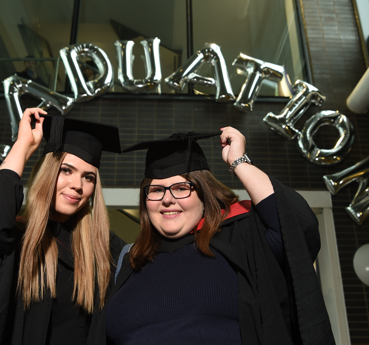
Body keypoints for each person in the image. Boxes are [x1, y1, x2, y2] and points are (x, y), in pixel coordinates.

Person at [97, 128, 335, 344]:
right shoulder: (129, 260)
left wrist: (239, 162)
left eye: (182, 188)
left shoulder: (240, 239)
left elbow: (297, 225)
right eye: (156, 190)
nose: (167, 199)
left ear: (204, 194)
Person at [0, 108, 126, 345]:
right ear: (48, 172)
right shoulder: (16, 240)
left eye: (88, 177)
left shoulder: (103, 249)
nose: (77, 185)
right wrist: (23, 146)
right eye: (66, 170)